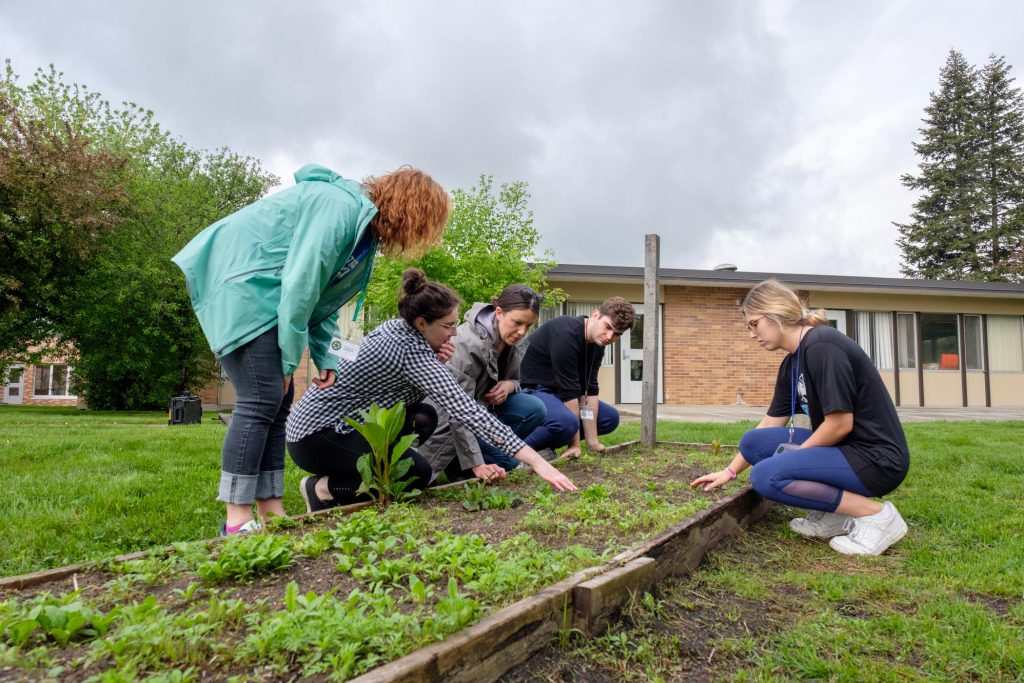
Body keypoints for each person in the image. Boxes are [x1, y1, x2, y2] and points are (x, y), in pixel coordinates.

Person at [172, 164, 449, 535]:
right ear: (410, 209)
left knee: (278, 403)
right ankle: (236, 519)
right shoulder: (338, 206)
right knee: (260, 400)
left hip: (266, 298)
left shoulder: (360, 232)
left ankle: (270, 510)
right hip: (243, 289)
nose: (416, 236)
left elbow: (322, 301)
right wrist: (290, 359)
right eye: (424, 225)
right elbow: (301, 284)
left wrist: (325, 357)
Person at [286, 269, 577, 512]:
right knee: (416, 475)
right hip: (316, 436)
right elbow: (467, 410)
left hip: (341, 423)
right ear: (422, 323)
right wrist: (538, 462)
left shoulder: (400, 330)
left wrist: (433, 354)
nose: (455, 332)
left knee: (423, 416)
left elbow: (383, 372)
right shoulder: (411, 351)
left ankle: (353, 472)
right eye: (449, 325)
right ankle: (322, 488)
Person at [690, 279, 911, 556]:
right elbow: (771, 422)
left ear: (775, 314)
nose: (751, 334)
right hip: (845, 450)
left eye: (754, 324)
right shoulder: (792, 362)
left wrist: (791, 460)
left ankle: (877, 515)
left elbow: (840, 424)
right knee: (754, 442)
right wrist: (730, 471)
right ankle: (835, 516)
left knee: (766, 477)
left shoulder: (823, 346)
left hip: (876, 459)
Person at [417, 284, 547, 481]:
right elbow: (457, 410)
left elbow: (517, 380)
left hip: (483, 413)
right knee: (510, 464)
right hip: (450, 423)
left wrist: (510, 385)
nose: (522, 332)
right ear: (499, 312)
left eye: (528, 326)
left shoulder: (513, 341)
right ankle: (462, 462)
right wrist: (477, 464)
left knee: (534, 408)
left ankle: (472, 459)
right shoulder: (466, 344)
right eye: (517, 323)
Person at [518, 297, 635, 459]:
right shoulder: (566, 333)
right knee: (566, 422)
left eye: (616, 334)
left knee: (609, 417)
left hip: (558, 394)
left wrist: (592, 442)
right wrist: (574, 444)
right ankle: (516, 451)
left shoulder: (597, 343)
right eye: (607, 327)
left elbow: (589, 390)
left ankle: (544, 446)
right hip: (531, 391)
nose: (609, 336)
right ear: (595, 315)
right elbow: (570, 392)